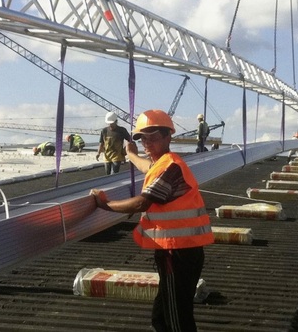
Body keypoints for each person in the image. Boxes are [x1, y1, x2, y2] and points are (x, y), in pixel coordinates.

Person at [90, 109, 214, 331]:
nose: (147, 142)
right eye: (142, 138)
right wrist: (131, 154)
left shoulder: (170, 167)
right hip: (178, 250)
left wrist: (104, 205)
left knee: (176, 318)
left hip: (177, 253)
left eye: (153, 137)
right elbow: (146, 166)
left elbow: (141, 204)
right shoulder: (163, 162)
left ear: (168, 137)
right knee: (161, 316)